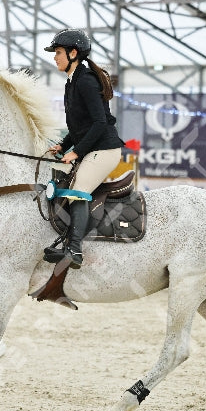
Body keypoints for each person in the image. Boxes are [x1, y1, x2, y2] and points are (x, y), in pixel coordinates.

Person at [42, 28, 125, 269]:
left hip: (105, 150)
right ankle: (66, 240)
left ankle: (75, 250)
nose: (54, 57)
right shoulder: (72, 82)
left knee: (76, 192)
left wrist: (76, 152)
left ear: (73, 53)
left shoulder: (86, 81)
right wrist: (63, 144)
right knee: (62, 186)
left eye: (58, 52)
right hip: (93, 147)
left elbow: (100, 123)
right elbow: (80, 126)